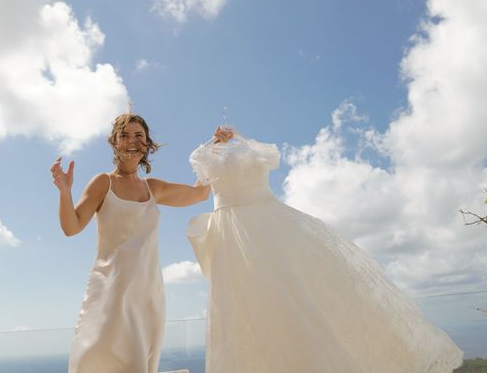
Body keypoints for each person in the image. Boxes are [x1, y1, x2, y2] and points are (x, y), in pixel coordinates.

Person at [187, 128, 464, 373]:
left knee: (299, 299)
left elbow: (268, 156)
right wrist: (214, 144)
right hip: (233, 237)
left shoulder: (257, 150)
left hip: (271, 227)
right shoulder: (204, 156)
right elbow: (199, 190)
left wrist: (240, 136)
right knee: (246, 311)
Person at [50, 114, 232, 373]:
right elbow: (72, 227)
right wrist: (65, 192)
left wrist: (216, 148)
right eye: (124, 135)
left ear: (147, 146)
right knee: (97, 360)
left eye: (139, 136)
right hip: (109, 293)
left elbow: (200, 193)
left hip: (147, 296)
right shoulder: (104, 183)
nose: (131, 141)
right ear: (114, 141)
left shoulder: (153, 189)